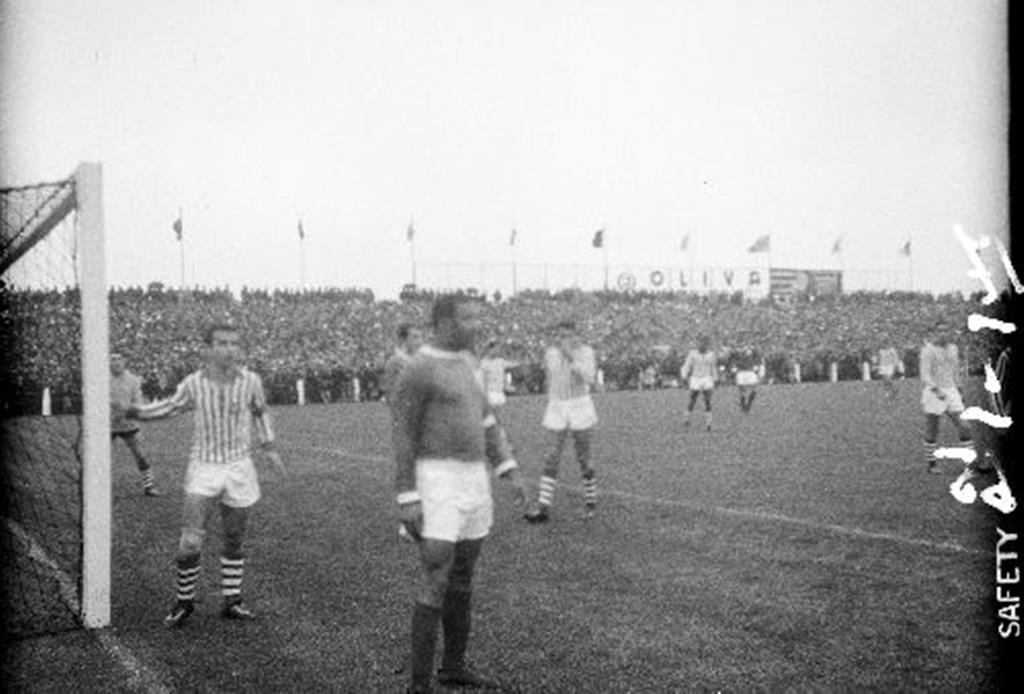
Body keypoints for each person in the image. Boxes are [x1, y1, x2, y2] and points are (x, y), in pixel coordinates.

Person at [390, 295, 527, 694]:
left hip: (474, 480)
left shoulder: (469, 363)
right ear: (444, 323)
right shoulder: (419, 368)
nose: (476, 325)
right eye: (468, 318)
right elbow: (403, 433)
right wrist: (407, 495)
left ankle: (452, 667)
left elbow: (487, 420)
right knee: (436, 574)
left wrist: (508, 468)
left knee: (463, 577)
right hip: (436, 480)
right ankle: (419, 686)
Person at [127, 323, 285, 628]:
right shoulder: (194, 383)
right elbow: (170, 408)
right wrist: (135, 412)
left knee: (234, 538)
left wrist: (269, 446)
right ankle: (183, 602)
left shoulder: (251, 381)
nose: (229, 349)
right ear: (208, 349)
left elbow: (261, 411)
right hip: (203, 468)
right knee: (190, 542)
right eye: (222, 343)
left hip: (239, 468)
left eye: (233, 344)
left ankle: (232, 601)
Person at [524, 319, 599, 523]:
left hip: (580, 405)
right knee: (551, 457)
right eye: (561, 335)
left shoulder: (586, 352)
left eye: (568, 335)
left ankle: (590, 502)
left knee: (584, 459)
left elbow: (590, 378)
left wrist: (572, 358)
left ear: (576, 335)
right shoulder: (550, 353)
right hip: (557, 405)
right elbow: (551, 379)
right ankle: (543, 509)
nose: (564, 339)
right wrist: (551, 400)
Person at [919, 328, 974, 474]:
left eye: (945, 331)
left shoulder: (953, 348)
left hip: (951, 391)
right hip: (933, 392)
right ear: (934, 333)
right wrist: (937, 390)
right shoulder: (928, 351)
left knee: (964, 425)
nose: (943, 334)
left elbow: (955, 371)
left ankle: (970, 463)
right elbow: (925, 375)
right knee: (932, 429)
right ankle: (932, 465)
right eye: (940, 331)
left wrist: (960, 390)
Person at [110, 352, 161, 496]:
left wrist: (127, 412)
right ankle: (94, 487)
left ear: (124, 361)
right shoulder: (102, 378)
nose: (116, 362)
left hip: (128, 423)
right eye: (113, 360)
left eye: (118, 359)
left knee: (140, 454)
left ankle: (149, 486)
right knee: (99, 457)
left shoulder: (133, 380)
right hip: (107, 424)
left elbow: (138, 402)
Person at [680, 336, 717, 430]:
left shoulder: (711, 355)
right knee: (692, 399)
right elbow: (687, 365)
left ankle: (709, 423)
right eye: (701, 343)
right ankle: (686, 418)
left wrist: (715, 378)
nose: (702, 346)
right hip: (696, 378)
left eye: (705, 344)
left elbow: (713, 367)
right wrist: (684, 376)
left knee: (707, 400)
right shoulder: (692, 354)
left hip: (707, 378)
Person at [381, 322, 426, 402]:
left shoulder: (420, 361)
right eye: (415, 337)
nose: (420, 341)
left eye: (421, 337)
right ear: (403, 340)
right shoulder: (395, 362)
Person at [734, 346, 761, 414]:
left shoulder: (740, 352)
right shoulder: (741, 353)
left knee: (749, 390)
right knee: (747, 391)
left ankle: (746, 406)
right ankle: (746, 406)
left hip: (745, 372)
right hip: (745, 372)